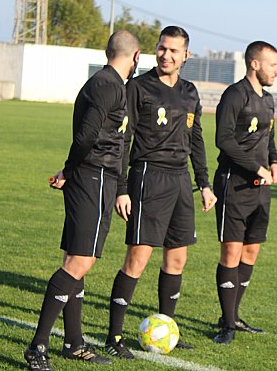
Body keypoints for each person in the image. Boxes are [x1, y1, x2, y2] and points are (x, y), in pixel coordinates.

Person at [24, 30, 141, 370]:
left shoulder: (113, 85)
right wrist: (70, 169)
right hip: (91, 175)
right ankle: (37, 346)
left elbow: (117, 143)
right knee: (79, 261)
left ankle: (74, 343)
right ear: (134, 57)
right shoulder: (106, 85)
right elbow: (87, 134)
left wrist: (119, 185)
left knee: (78, 260)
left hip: (101, 179)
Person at [104, 26, 217, 358]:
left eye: (173, 51)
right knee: (138, 259)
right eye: (161, 48)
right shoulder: (138, 88)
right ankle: (114, 336)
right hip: (148, 177)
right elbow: (123, 139)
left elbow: (196, 139)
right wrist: (122, 188)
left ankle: (168, 326)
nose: (166, 55)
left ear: (186, 55)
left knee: (177, 259)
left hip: (181, 180)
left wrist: (205, 184)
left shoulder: (190, 92)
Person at [211, 41, 277, 344]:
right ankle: (226, 325)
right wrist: (257, 168)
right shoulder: (234, 95)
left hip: (260, 190)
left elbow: (270, 140)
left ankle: (233, 316)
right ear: (255, 64)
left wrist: (275, 163)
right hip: (233, 185)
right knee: (231, 251)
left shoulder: (268, 101)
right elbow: (223, 140)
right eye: (273, 65)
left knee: (251, 251)